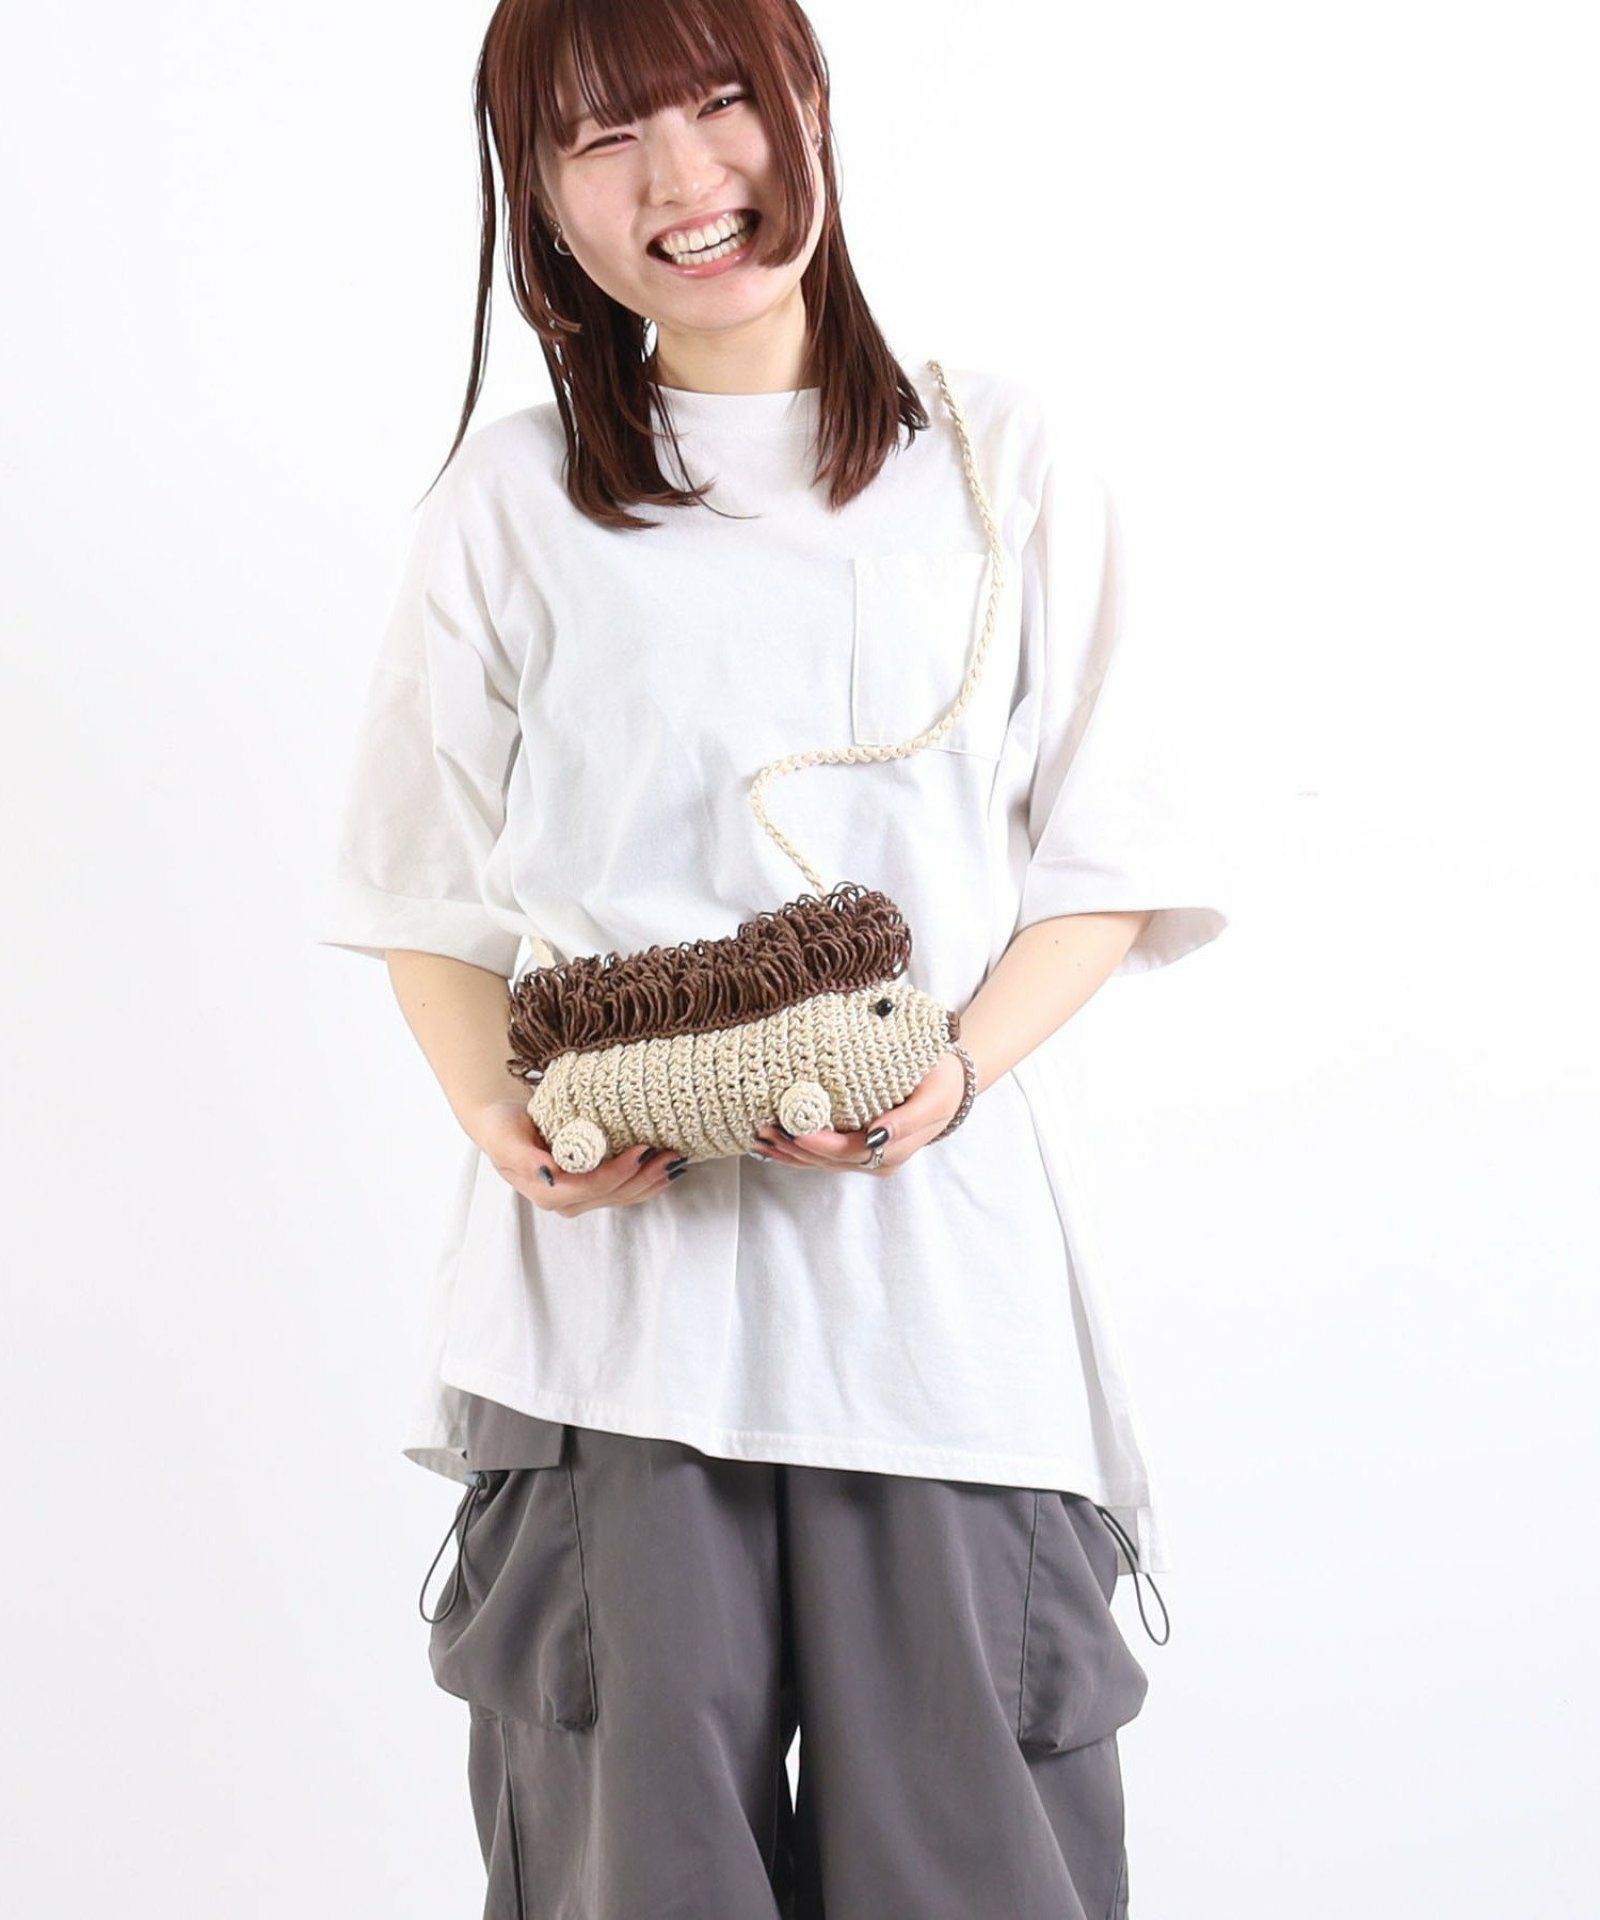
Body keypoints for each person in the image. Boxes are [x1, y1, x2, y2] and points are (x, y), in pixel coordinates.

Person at [317, 1, 1229, 1913]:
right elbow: (423, 890)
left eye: (722, 99)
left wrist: (951, 1074)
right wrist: (506, 1126)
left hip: (934, 1322)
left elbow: (1113, 856)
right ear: (535, 193)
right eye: (602, 137)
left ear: (808, 97)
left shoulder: (996, 457)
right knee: (635, 1876)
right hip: (613, 1332)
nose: (682, 178)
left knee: (974, 1874)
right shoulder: (513, 498)